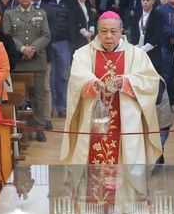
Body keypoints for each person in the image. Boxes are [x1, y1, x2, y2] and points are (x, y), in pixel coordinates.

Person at [60, 11, 161, 165]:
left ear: (121, 31)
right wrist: (92, 83)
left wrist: (127, 81)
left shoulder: (137, 54)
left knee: (127, 161)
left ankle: (125, 190)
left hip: (127, 122)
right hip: (93, 119)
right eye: (103, 31)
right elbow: (77, 78)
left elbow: (150, 81)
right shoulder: (83, 53)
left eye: (113, 32)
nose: (108, 36)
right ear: (97, 32)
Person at [3, 0, 51, 141]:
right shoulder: (9, 14)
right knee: (17, 97)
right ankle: (16, 127)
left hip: (37, 61)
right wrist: (22, 49)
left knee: (38, 97)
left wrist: (32, 49)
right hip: (18, 63)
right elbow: (7, 35)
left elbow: (46, 35)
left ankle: (39, 127)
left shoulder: (41, 13)